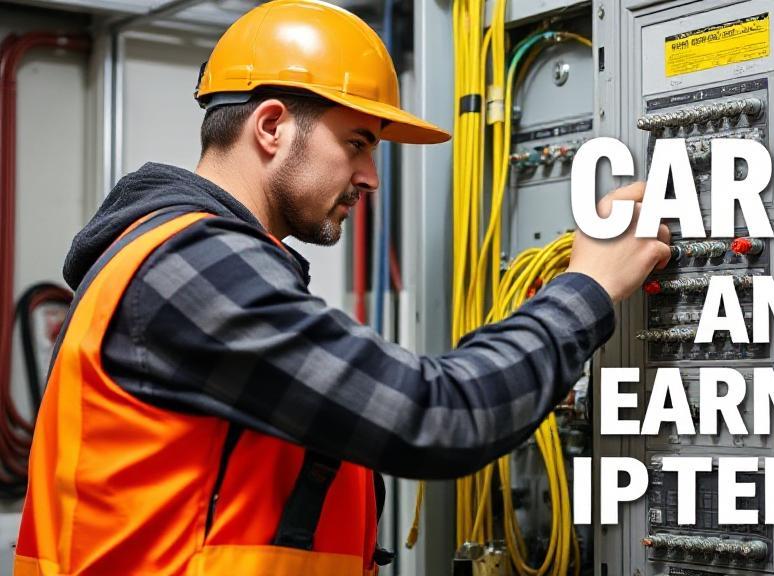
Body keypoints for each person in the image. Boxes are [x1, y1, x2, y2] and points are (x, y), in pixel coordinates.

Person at [14, 0, 670, 574]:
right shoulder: (190, 267)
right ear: (271, 127)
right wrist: (588, 285)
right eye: (357, 142)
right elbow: (439, 417)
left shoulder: (178, 256)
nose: (371, 177)